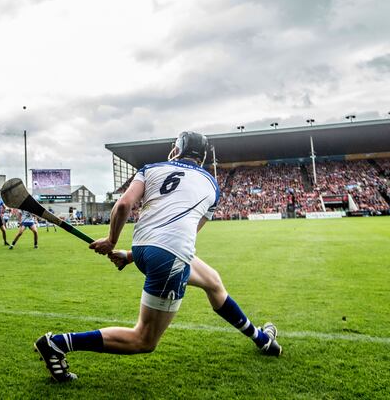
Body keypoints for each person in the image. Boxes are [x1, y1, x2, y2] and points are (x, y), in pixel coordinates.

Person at [33, 131, 281, 383]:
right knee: (144, 339)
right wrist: (114, 245)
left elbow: (122, 205)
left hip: (143, 248)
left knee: (213, 282)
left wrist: (119, 246)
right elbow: (189, 232)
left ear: (176, 150)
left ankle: (262, 340)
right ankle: (57, 343)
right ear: (202, 157)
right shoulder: (212, 185)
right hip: (171, 255)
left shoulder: (149, 169)